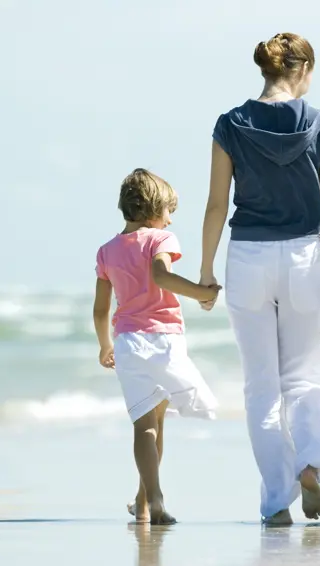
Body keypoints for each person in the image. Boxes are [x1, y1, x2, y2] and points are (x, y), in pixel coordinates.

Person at [199, 33, 320, 526]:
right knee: (308, 378)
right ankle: (309, 462)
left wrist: (204, 272)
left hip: (247, 258)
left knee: (262, 388)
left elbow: (217, 204)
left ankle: (276, 502)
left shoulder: (231, 124)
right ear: (302, 71)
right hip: (304, 254)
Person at [93, 168, 219, 525]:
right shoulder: (161, 240)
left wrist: (105, 346)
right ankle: (149, 500)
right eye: (168, 210)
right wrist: (202, 293)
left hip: (129, 343)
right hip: (165, 341)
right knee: (158, 423)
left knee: (143, 426)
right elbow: (161, 276)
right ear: (152, 209)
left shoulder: (106, 252)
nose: (171, 218)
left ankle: (148, 500)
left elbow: (101, 309)